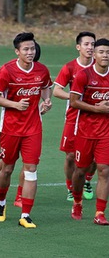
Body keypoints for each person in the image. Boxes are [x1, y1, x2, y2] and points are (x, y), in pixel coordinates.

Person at [0, 32, 52, 229]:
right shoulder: (7, 71)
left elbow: (46, 87)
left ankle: (25, 215)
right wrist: (15, 105)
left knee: (31, 171)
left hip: (33, 128)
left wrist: (47, 100)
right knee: (7, 168)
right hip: (10, 128)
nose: (30, 52)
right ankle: (1, 202)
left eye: (32, 49)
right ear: (17, 51)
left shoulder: (42, 70)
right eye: (25, 49)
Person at [69, 38, 109, 225]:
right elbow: (74, 101)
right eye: (101, 51)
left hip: (106, 132)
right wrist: (96, 108)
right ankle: (77, 201)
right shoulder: (83, 75)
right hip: (84, 131)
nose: (105, 55)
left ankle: (99, 213)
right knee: (80, 171)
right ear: (94, 54)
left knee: (104, 170)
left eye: (108, 52)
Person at [53, 32, 97, 201]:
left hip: (96, 118)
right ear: (78, 47)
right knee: (70, 155)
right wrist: (74, 98)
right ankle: (71, 187)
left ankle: (87, 180)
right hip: (74, 117)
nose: (90, 47)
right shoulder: (70, 67)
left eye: (92, 44)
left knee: (94, 157)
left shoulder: (100, 66)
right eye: (86, 44)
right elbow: (56, 91)